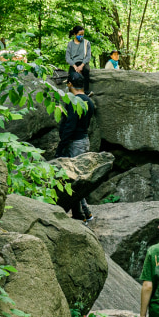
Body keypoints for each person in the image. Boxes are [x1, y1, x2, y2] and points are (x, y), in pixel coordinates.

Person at [55, 73, 95, 223]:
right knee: (79, 179)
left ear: (70, 84)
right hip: (84, 141)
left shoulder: (75, 101)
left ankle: (83, 214)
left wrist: (61, 146)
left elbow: (70, 126)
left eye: (68, 83)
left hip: (75, 143)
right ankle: (83, 213)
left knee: (75, 181)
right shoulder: (89, 101)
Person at [66, 25, 92, 92]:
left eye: (82, 34)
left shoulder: (86, 43)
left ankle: (86, 92)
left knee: (86, 71)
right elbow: (67, 58)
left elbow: (88, 56)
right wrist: (75, 67)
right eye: (80, 34)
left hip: (83, 63)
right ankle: (72, 93)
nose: (81, 36)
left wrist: (81, 66)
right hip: (73, 64)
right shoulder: (70, 44)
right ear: (75, 34)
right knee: (71, 76)